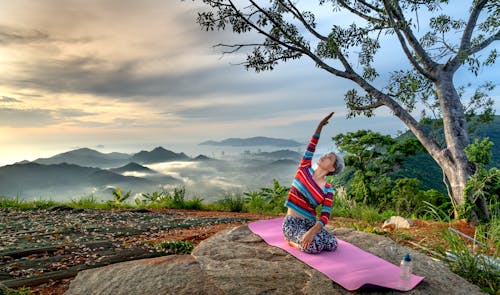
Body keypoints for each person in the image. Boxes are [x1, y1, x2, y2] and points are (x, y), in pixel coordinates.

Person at [282, 112, 344, 254]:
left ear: (332, 168)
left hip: (310, 224)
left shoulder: (328, 189)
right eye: (326, 154)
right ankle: (291, 242)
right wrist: (320, 126)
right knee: (314, 246)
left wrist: (312, 231)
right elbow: (312, 146)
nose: (324, 156)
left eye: (329, 157)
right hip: (292, 223)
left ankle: (306, 239)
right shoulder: (304, 168)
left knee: (332, 244)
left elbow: (324, 216)